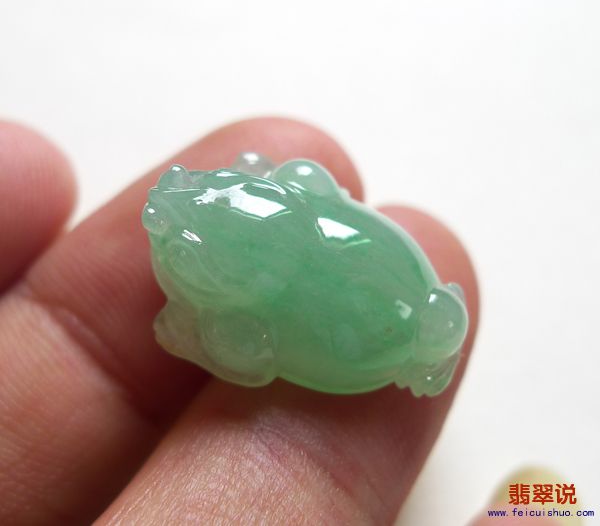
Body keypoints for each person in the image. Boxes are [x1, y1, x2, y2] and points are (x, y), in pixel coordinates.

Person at [6, 115, 552, 525]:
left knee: (243, 330)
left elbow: (309, 188)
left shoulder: (385, 299)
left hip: (276, 261)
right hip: (269, 247)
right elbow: (310, 187)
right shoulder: (394, 277)